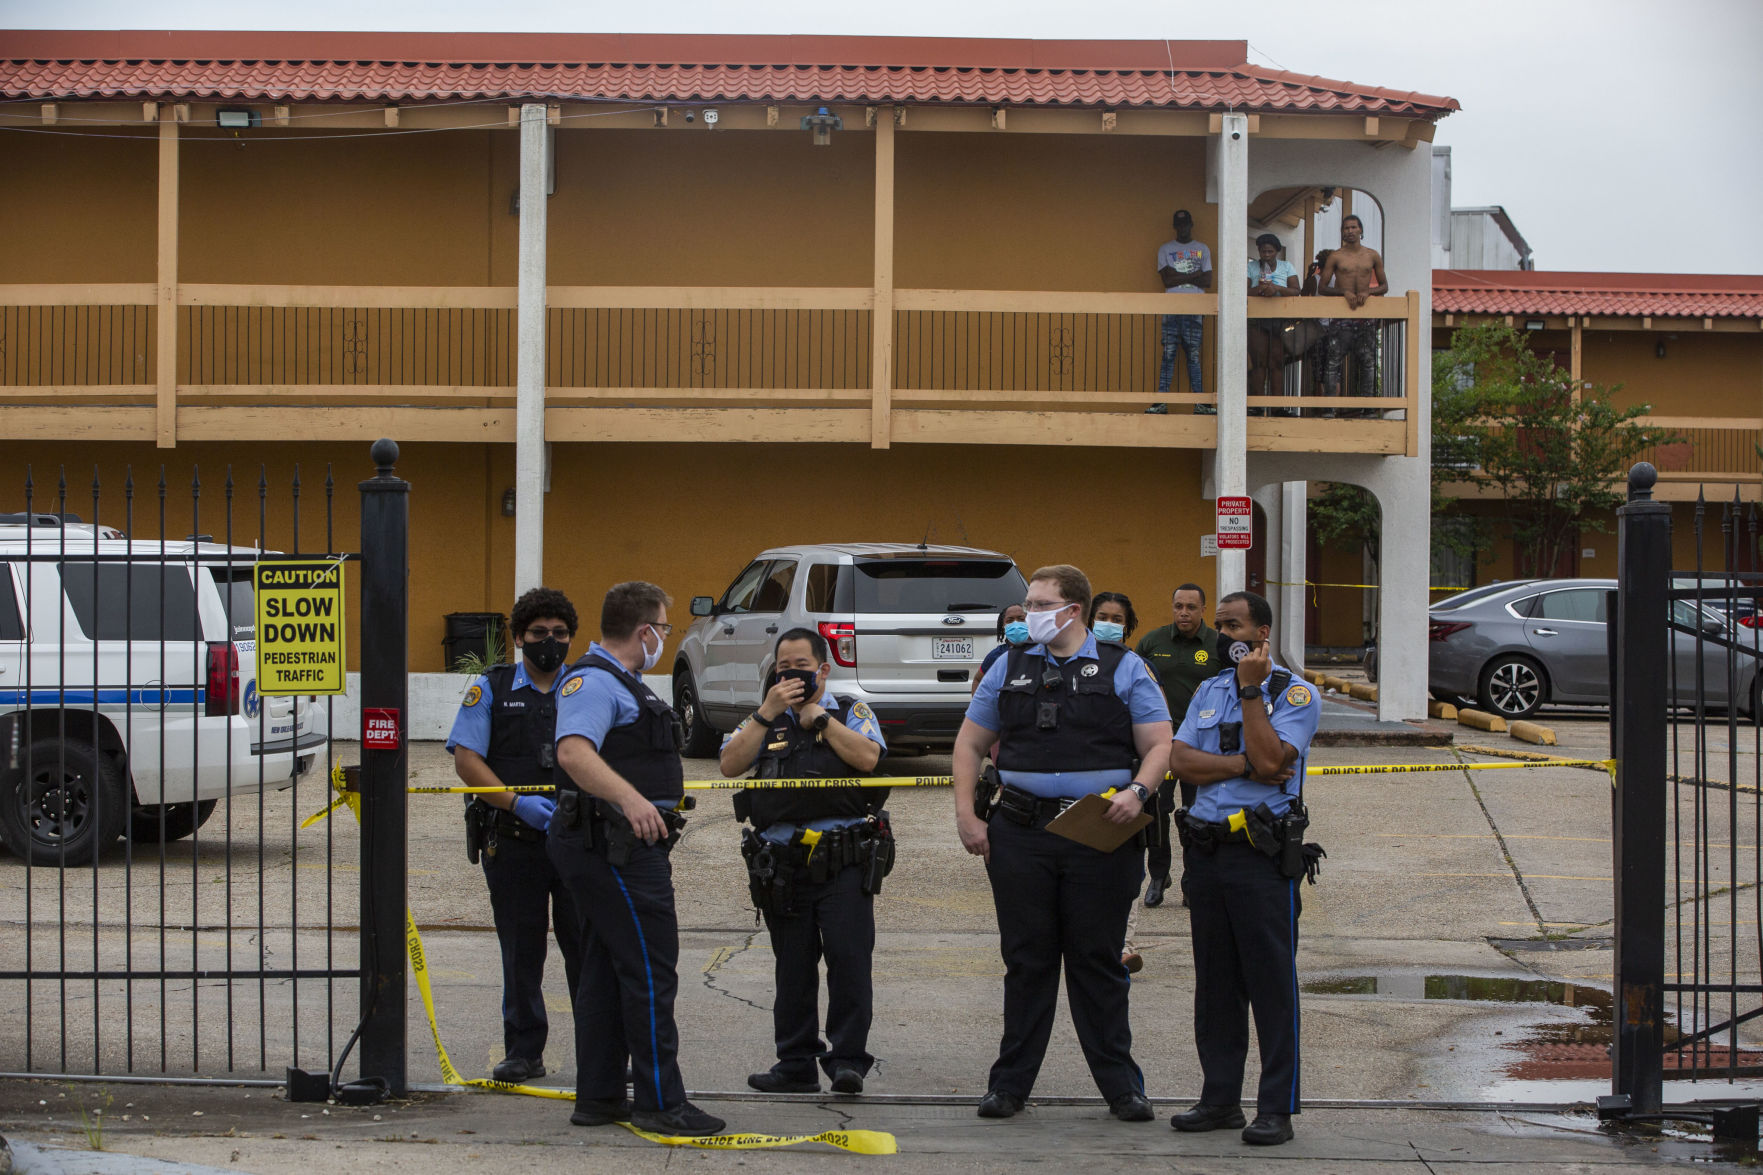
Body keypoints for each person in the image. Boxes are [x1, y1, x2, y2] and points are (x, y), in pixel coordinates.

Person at [953, 565, 1172, 1122]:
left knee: (1097, 961)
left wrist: (1140, 791)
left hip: (1098, 831)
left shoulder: (1126, 667)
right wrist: (966, 817)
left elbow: (1160, 744)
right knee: (1027, 960)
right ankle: (1009, 1086)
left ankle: (1122, 1088)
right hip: (1020, 832)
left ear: (1072, 610)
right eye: (1027, 604)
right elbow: (969, 743)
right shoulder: (1007, 663)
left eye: (1039, 604)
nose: (1028, 614)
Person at [549, 582, 725, 1137]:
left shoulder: (623, 683)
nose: (664, 640)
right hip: (614, 846)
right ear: (646, 631)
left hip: (616, 844)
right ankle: (659, 1103)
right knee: (651, 970)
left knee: (605, 968)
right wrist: (630, 799)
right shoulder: (594, 681)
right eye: (665, 629)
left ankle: (600, 1096)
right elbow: (573, 751)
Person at [1168, 591, 1321, 1147]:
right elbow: (1179, 759)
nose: (1225, 636)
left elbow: (1275, 760)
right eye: (1221, 626)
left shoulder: (1294, 692)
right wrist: (1242, 765)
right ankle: (1219, 1100)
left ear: (1263, 634)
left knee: (1271, 984)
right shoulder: (1208, 689)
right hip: (1206, 852)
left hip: (1259, 853)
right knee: (1216, 984)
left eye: (1235, 626)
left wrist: (1253, 692)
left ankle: (1276, 1108)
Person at [720, 628, 891, 1096]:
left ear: (823, 669)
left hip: (842, 861)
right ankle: (795, 1062)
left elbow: (870, 758)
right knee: (792, 966)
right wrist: (765, 713)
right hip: (782, 865)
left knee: (848, 959)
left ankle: (847, 1062)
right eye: (783, 668)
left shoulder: (850, 711)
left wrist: (821, 722)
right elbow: (729, 765)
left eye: (800, 666)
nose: (791, 674)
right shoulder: (764, 718)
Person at [446, 587, 584, 1085]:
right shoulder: (492, 686)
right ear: (519, 637)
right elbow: (467, 760)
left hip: (577, 841)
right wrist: (517, 802)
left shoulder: (586, 686)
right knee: (522, 951)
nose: (551, 642)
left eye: (560, 633)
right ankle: (524, 1051)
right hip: (514, 838)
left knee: (586, 948)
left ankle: (600, 1050)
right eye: (539, 633)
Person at [1133, 583, 1217, 909]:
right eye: (1179, 606)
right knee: (1157, 813)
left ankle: (1192, 880)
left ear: (1202, 610)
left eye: (1191, 607)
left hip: (1201, 746)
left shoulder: (1217, 646)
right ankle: (1158, 875)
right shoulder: (1152, 642)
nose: (1184, 612)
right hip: (1159, 745)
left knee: (1197, 816)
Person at [1088, 592, 1148, 973]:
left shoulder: (1135, 668)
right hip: (1078, 792)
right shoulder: (1067, 663)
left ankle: (1123, 944)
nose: (1109, 623)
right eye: (1102, 616)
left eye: (1116, 618)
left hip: (1126, 789)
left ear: (1128, 626)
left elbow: (1155, 733)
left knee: (1126, 875)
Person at [1319, 215, 1390, 404]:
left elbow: (1384, 286)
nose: (1350, 231)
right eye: (1346, 228)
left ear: (1361, 230)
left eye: (1353, 227)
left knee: (1368, 363)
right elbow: (1322, 287)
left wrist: (1368, 292)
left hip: (1365, 317)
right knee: (1333, 362)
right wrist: (1344, 292)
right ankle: (1329, 407)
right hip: (1341, 317)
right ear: (1342, 232)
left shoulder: (1372, 255)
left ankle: (1368, 407)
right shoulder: (1336, 256)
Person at [1149, 209, 1213, 415]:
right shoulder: (1165, 249)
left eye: (1185, 224)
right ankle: (1161, 402)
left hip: (1195, 310)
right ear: (1175, 227)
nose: (1182, 228)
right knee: (1168, 355)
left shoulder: (1203, 249)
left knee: (1193, 356)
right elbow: (1167, 280)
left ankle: (1200, 403)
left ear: (1191, 225)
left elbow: (1207, 281)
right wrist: (1194, 274)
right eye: (1179, 225)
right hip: (1172, 309)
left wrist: (1179, 275)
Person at [1247, 233, 1301, 412]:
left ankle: (1277, 407)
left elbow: (1295, 290)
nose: (1267, 255)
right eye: (1263, 251)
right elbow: (1243, 290)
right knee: (1259, 363)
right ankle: (1257, 406)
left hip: (1280, 320)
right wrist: (1260, 289)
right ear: (1259, 251)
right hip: (1257, 320)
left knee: (1277, 362)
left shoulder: (1286, 266)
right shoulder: (1251, 267)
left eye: (1270, 251)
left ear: (1277, 251)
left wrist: (1276, 288)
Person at [977, 603, 1030, 687]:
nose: (1016, 624)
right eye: (1010, 620)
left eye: (1021, 619)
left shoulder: (1041, 651)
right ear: (1003, 625)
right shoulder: (996, 655)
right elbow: (978, 680)